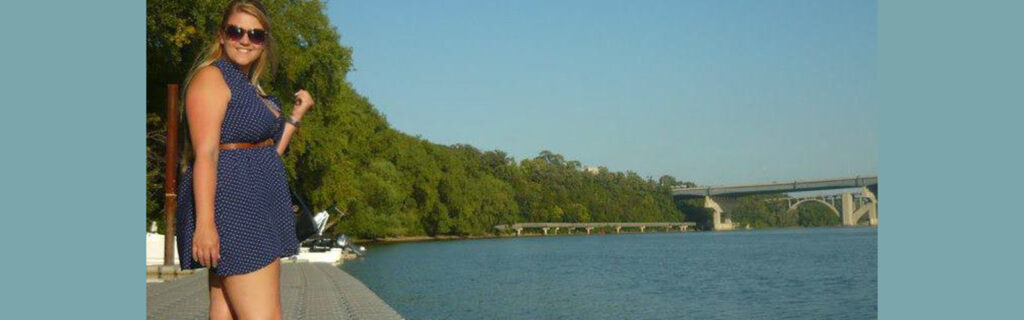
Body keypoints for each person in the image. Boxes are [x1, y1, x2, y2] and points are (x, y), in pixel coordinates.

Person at [175, 1, 314, 319]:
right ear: (222, 35)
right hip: (236, 207)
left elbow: (266, 150)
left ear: (265, 42)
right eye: (236, 31)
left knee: (226, 312)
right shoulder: (212, 79)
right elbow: (207, 154)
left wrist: (294, 117)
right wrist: (206, 225)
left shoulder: (248, 87)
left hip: (256, 201)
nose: (245, 40)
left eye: (256, 34)